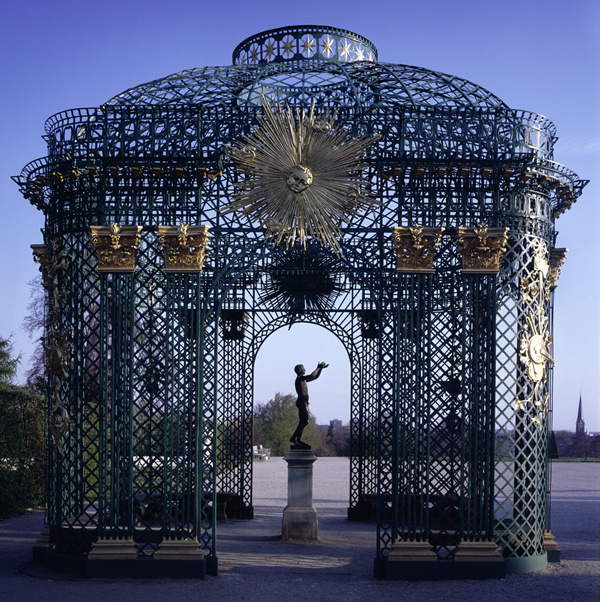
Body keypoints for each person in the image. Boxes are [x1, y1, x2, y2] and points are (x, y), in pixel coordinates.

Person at [290, 362, 328, 449]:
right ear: (300, 370)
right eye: (303, 368)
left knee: (303, 421)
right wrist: (318, 367)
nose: (305, 370)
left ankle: (298, 439)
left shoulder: (302, 379)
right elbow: (311, 375)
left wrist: (320, 369)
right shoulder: (300, 379)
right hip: (302, 402)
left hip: (304, 402)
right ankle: (294, 438)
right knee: (305, 421)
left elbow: (314, 377)